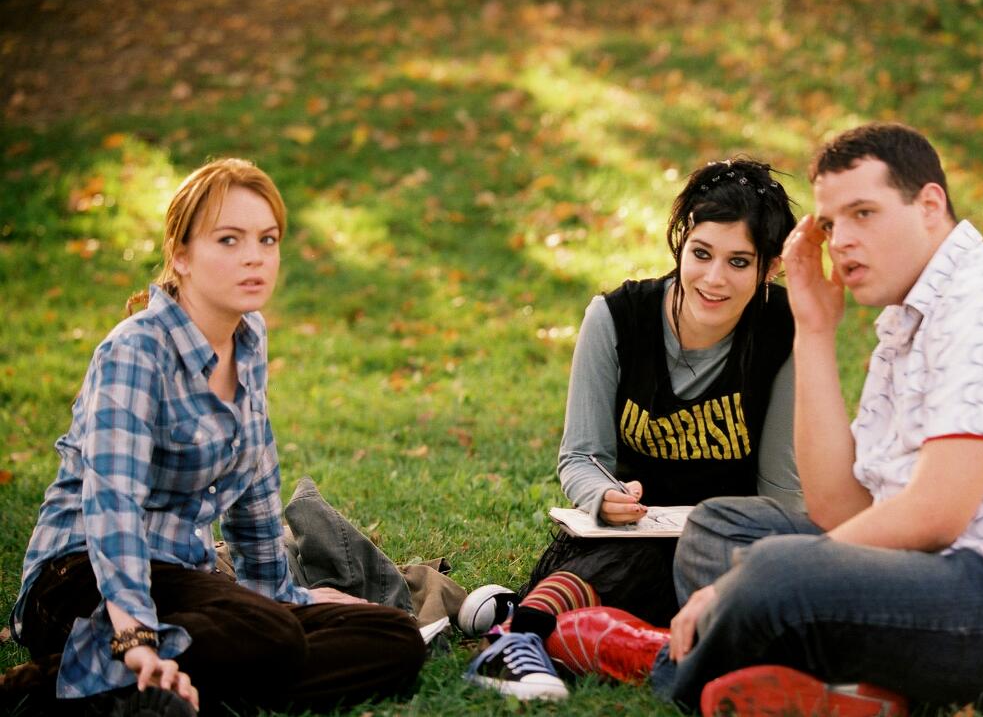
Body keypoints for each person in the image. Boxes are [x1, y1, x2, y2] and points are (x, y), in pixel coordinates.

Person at [542, 123, 983, 715]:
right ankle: (847, 695)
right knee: (722, 528)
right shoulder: (908, 321)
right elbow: (838, 510)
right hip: (955, 576)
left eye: (863, 214)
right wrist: (814, 332)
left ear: (930, 206)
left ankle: (668, 665)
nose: (841, 239)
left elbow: (932, 515)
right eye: (830, 222)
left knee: (770, 570)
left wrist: (750, 584)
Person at [2, 159, 424, 716]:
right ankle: (48, 683)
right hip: (82, 579)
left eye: (267, 239)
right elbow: (113, 504)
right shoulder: (134, 352)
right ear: (180, 253)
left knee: (393, 637)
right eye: (229, 239)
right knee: (268, 633)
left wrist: (285, 594)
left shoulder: (249, 336)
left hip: (185, 582)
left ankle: (160, 693)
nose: (255, 256)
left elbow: (255, 485)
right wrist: (134, 634)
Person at [465, 158, 803, 701]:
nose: (714, 279)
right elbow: (581, 456)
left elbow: (783, 493)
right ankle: (515, 638)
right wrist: (603, 496)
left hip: (729, 538)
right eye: (701, 254)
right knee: (632, 561)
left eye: (739, 262)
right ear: (680, 243)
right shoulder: (618, 318)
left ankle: (535, 618)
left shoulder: (784, 328)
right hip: (634, 533)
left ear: (769, 268)